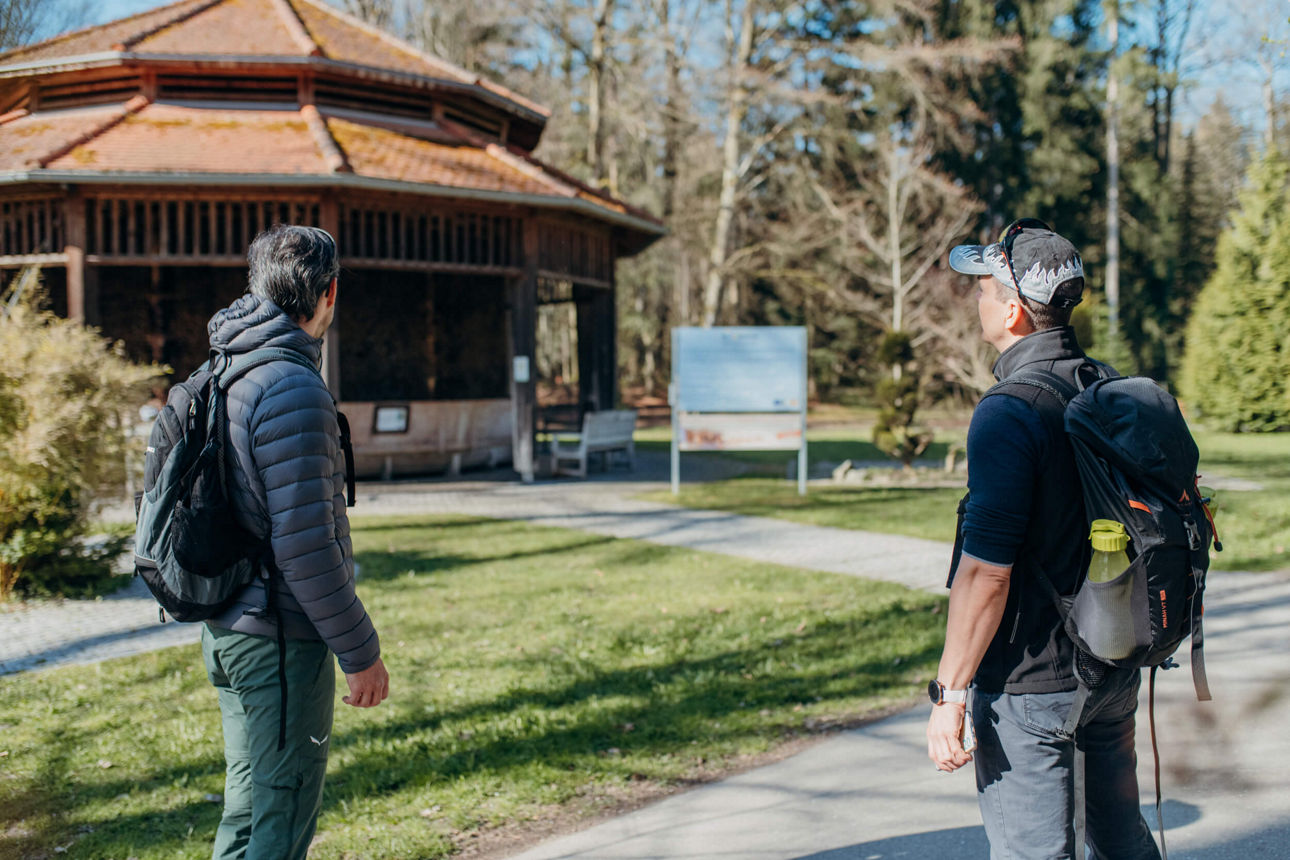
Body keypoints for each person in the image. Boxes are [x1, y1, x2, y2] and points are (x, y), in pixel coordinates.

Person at [926, 219, 1160, 859]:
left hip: (1033, 683)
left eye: (982, 289)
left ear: (1012, 311)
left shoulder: (1009, 411)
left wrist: (949, 695)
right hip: (1111, 663)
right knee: (1122, 846)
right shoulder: (1106, 387)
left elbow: (986, 574)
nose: (975, 299)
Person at [201, 224, 390, 859]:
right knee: (278, 828)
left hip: (227, 628)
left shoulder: (227, 367)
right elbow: (307, 547)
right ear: (329, 293)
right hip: (280, 640)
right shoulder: (292, 387)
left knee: (248, 815)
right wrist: (360, 651)